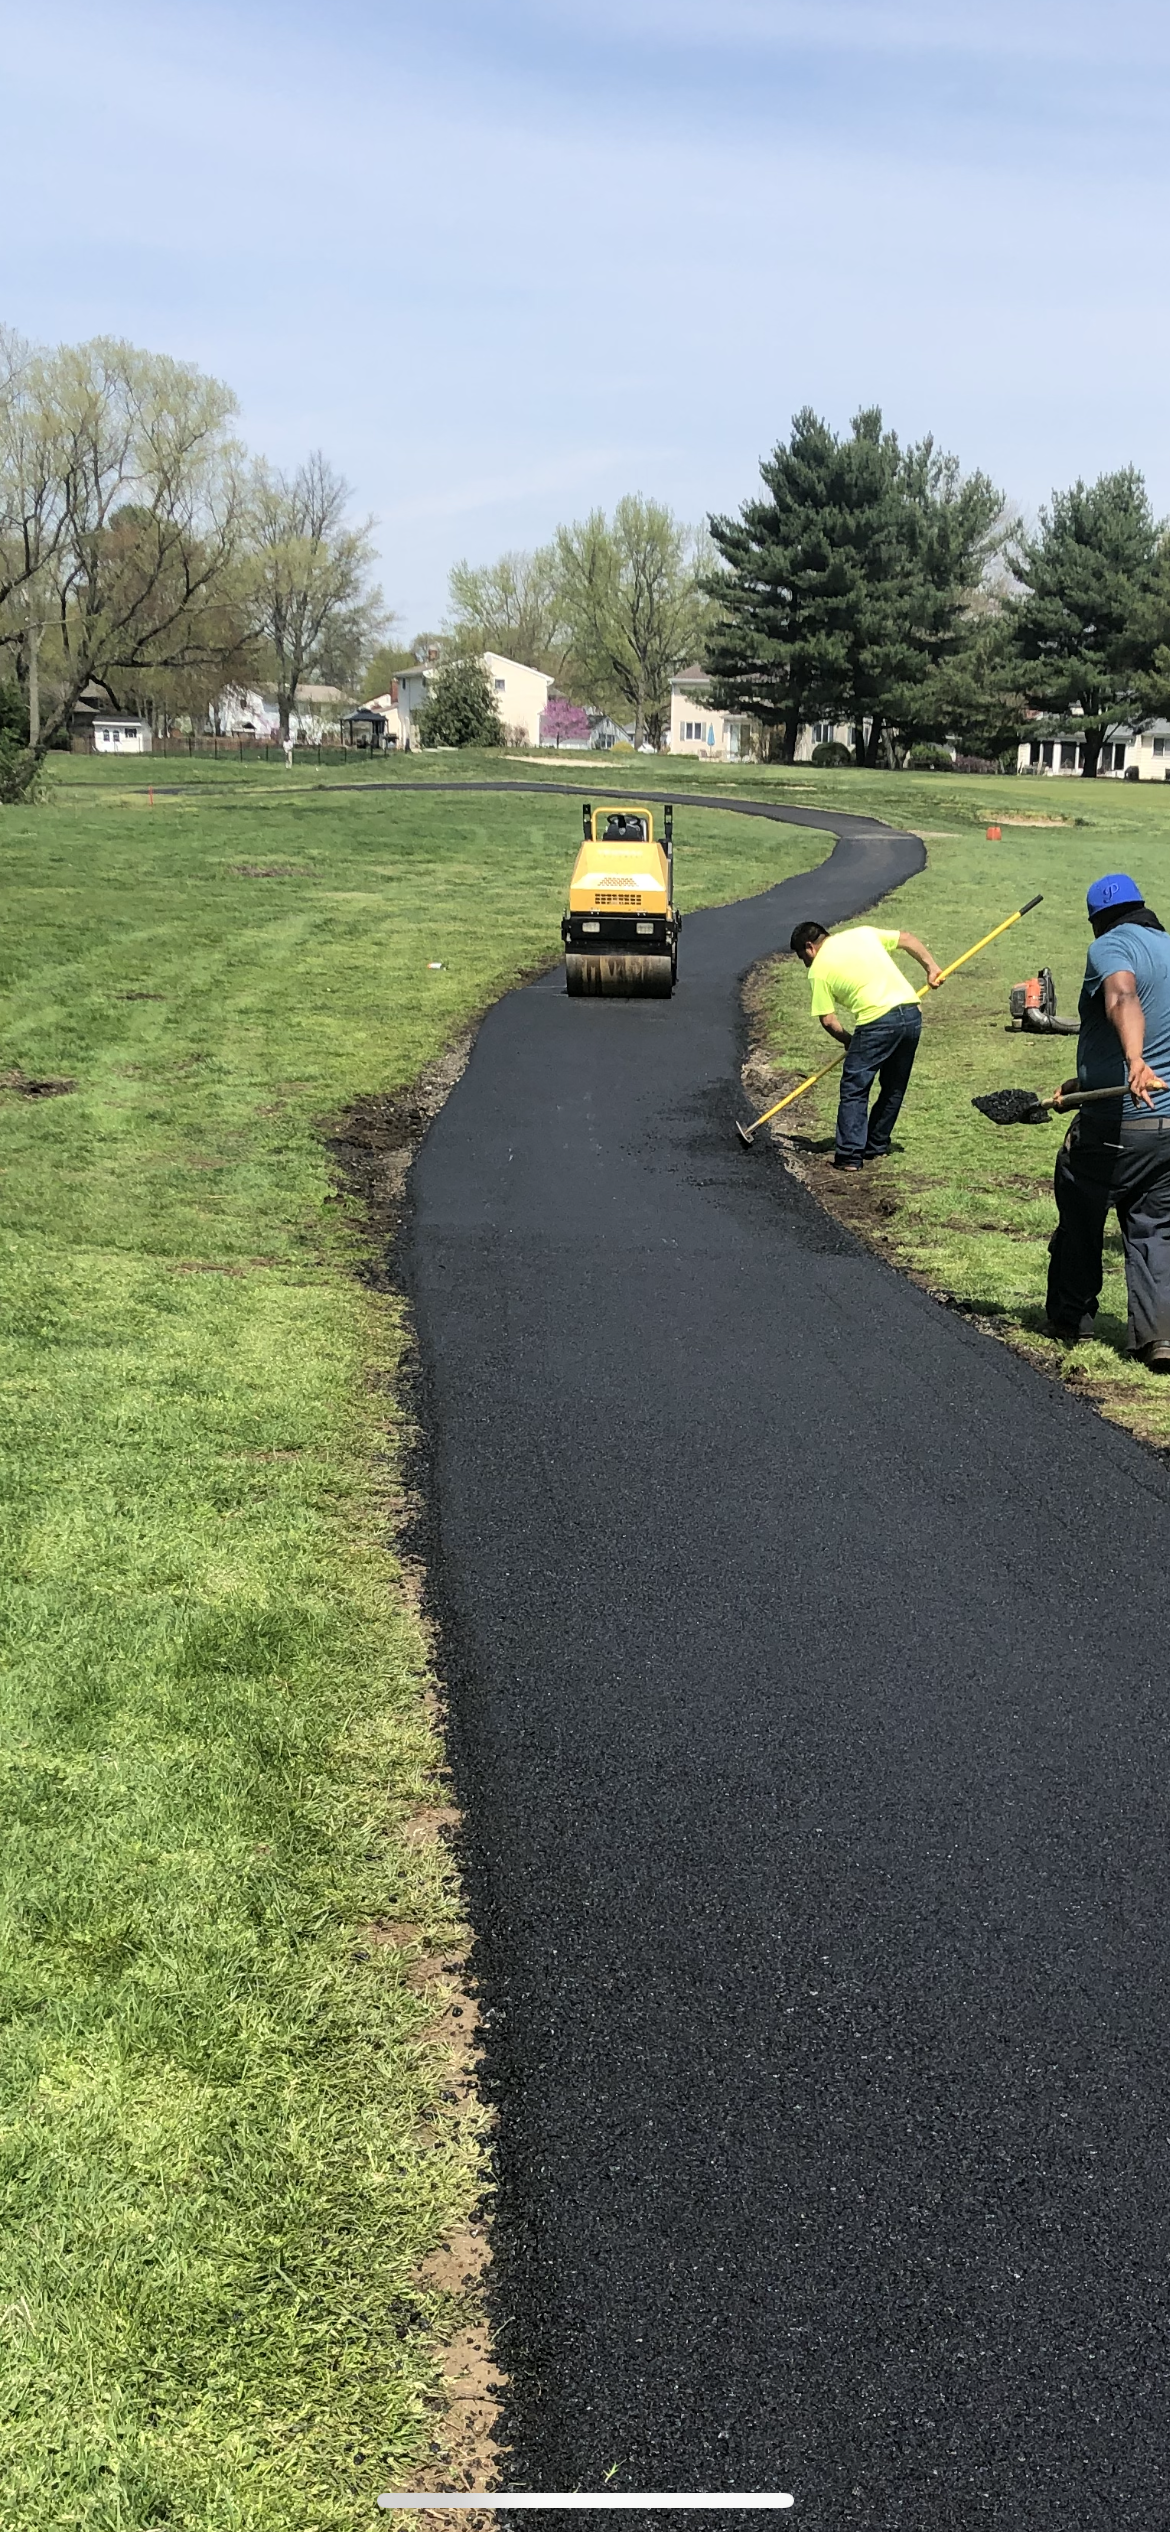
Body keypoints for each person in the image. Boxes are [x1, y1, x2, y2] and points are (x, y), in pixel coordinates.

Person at [1046, 872, 1170, 1370]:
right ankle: (1160, 1338)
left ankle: (1071, 1317)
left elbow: (1122, 996)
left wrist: (1135, 1060)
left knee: (1080, 1208)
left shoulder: (1111, 948)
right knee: (1155, 1226)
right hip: (1166, 1124)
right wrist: (1083, 1084)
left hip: (1119, 1122)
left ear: (1097, 920)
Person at [789, 918, 943, 1170]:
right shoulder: (863, 934)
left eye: (802, 957)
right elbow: (906, 937)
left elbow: (828, 1020)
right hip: (911, 1013)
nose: (805, 964)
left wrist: (849, 1041)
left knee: (855, 1088)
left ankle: (849, 1155)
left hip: (877, 1022)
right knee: (894, 1085)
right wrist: (932, 968)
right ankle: (875, 1144)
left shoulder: (818, 970)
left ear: (810, 947)